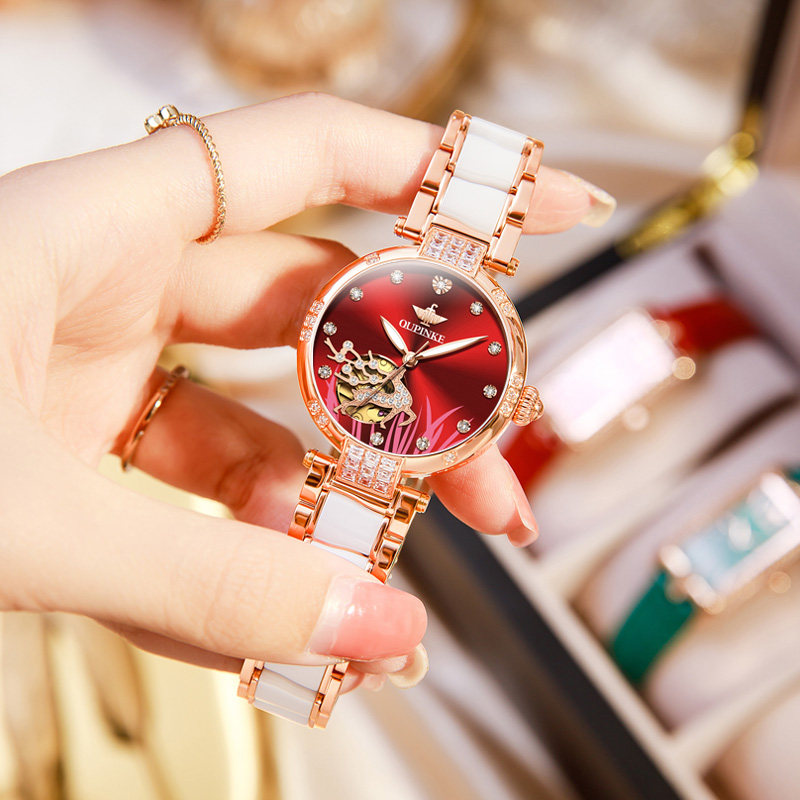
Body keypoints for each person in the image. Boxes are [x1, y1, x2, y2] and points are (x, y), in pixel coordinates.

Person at [0, 93, 612, 692]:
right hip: (372, 423)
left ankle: (294, 677)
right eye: (402, 350)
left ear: (512, 400)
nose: (409, 358)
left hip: (387, 434)